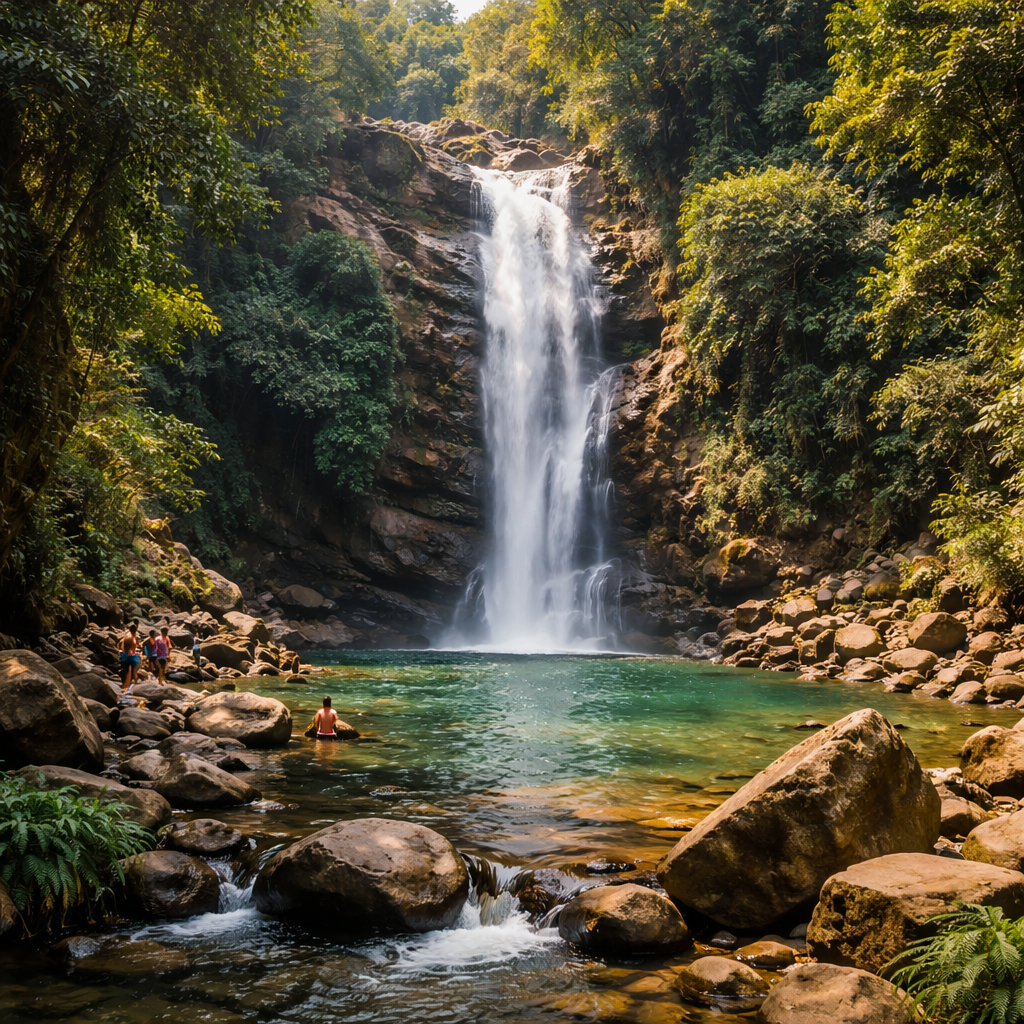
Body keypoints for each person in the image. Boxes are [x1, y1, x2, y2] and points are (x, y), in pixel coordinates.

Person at [120, 620, 141, 694]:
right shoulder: (132, 637)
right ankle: (130, 687)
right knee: (132, 672)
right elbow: (133, 648)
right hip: (130, 657)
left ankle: (125, 686)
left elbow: (122, 646)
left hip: (124, 655)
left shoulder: (127, 634)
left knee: (126, 673)